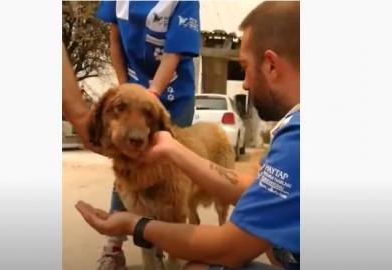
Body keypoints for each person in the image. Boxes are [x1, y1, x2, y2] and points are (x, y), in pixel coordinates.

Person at [76, 1, 300, 270]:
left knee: (198, 266)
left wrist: (132, 224)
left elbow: (227, 249)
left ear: (271, 65)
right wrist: (173, 149)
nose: (244, 84)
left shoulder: (296, 144)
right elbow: (252, 190)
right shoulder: (295, 130)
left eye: (244, 67)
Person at [95, 1, 201, 269]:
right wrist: (125, 89)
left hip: (174, 97)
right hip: (133, 89)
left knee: (170, 175)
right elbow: (115, 39)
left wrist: (149, 97)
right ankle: (114, 247)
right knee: (126, 169)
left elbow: (174, 52)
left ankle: (173, 244)